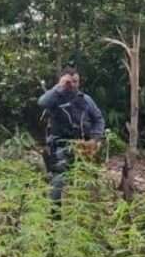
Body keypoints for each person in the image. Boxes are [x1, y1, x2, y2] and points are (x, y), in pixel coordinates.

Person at [37, 66, 105, 201]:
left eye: (76, 81)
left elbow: (98, 119)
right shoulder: (55, 98)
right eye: (69, 82)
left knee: (89, 180)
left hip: (84, 146)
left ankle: (88, 213)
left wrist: (95, 139)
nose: (73, 85)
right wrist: (59, 87)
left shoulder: (86, 100)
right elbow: (42, 102)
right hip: (61, 145)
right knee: (58, 179)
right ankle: (55, 216)